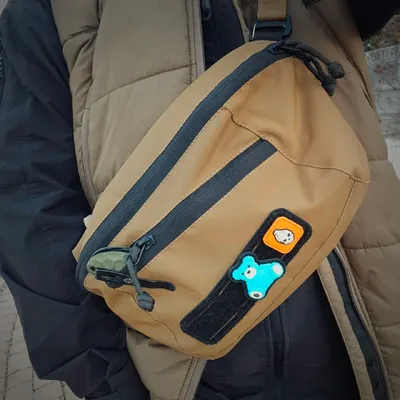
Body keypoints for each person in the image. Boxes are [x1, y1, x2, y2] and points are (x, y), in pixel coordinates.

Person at [0, 0, 399, 399]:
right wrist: (108, 380)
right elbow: (32, 206)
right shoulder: (55, 10)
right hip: (183, 367)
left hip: (359, 335)